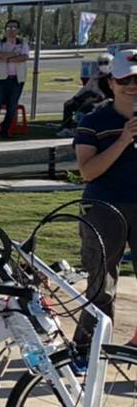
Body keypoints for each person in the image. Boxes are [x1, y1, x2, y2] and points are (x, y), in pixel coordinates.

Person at [72, 47, 137, 348]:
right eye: (124, 80)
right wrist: (123, 140)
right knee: (101, 283)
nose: (132, 86)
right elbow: (88, 171)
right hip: (104, 206)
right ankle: (90, 346)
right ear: (111, 82)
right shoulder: (94, 121)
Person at [0, 19, 29, 140]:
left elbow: (24, 57)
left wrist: (8, 57)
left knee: (12, 107)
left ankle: (5, 130)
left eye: (14, 28)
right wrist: (14, 55)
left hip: (17, 80)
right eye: (9, 28)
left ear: (18, 30)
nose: (11, 30)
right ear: (5, 30)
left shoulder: (22, 42)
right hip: (1, 79)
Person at [60, 53, 114, 136]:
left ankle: (83, 130)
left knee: (88, 107)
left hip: (104, 100)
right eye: (100, 63)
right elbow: (85, 88)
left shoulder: (115, 77)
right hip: (90, 96)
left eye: (105, 63)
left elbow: (112, 94)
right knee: (68, 105)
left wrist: (98, 98)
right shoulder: (95, 75)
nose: (103, 65)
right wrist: (74, 98)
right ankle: (66, 128)